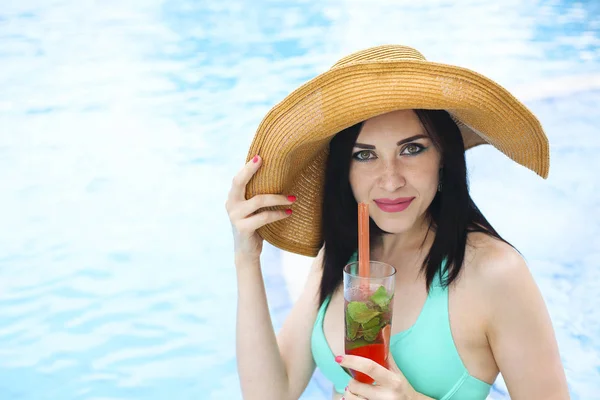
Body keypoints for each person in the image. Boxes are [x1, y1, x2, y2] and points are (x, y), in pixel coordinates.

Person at [226, 45, 569, 400]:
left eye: (412, 149)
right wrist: (246, 259)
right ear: (344, 171)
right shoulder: (343, 255)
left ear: (443, 156)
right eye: (365, 155)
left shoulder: (496, 273)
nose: (390, 180)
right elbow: (271, 393)